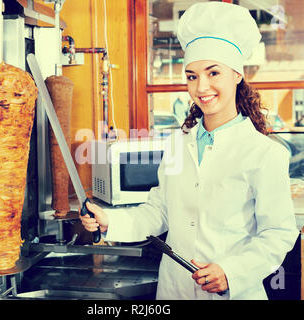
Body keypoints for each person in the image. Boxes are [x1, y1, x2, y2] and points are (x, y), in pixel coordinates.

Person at [79, 2, 299, 300]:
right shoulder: (176, 145)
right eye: (192, 76)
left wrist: (230, 271)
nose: (201, 86)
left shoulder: (264, 153)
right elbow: (158, 213)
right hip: (175, 290)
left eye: (213, 73)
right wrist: (110, 221)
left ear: (236, 75)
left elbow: (278, 234)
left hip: (234, 292)